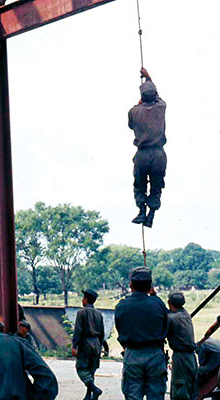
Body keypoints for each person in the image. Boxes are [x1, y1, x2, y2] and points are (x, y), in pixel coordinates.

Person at [115, 267, 168, 400]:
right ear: (150, 286)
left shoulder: (122, 305)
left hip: (132, 353)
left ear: (131, 285)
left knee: (133, 395)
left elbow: (120, 329)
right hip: (155, 353)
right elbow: (166, 325)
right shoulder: (158, 304)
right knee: (156, 395)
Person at [128, 67, 167, 228]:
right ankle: (151, 215)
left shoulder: (134, 111)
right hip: (158, 154)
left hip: (142, 154)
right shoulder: (161, 107)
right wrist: (149, 78)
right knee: (156, 186)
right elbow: (157, 96)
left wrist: (140, 105)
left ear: (141, 97)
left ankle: (142, 212)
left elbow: (131, 126)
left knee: (140, 184)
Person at [72, 289, 105, 400]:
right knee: (91, 369)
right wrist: (102, 346)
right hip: (96, 343)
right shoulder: (99, 314)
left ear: (86, 300)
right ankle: (89, 395)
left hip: (85, 342)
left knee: (81, 368)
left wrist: (74, 346)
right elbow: (102, 332)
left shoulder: (81, 312)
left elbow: (78, 331)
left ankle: (94, 389)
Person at [166, 290, 197, 400]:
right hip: (190, 357)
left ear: (169, 303)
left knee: (180, 390)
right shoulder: (185, 314)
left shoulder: (172, 319)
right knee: (190, 389)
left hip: (181, 358)